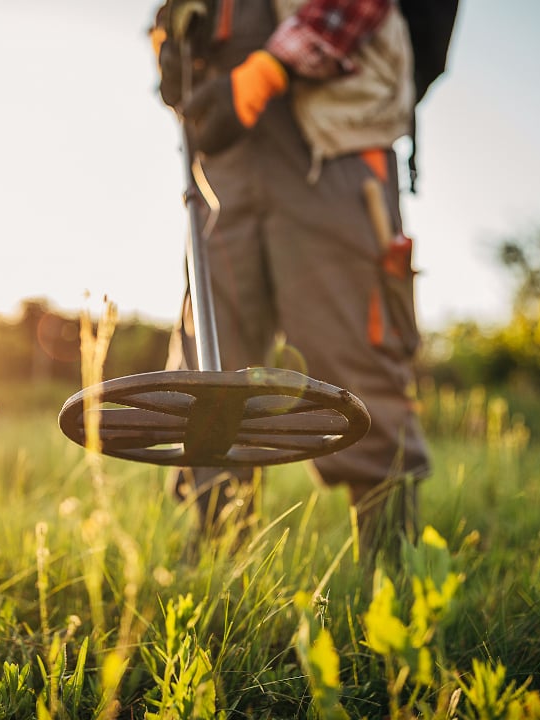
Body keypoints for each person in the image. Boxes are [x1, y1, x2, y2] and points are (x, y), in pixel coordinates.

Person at [151, 0, 431, 559]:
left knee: (356, 352)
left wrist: (268, 70)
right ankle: (215, 567)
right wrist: (169, 42)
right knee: (212, 361)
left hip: (332, 149)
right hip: (226, 163)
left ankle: (395, 577)